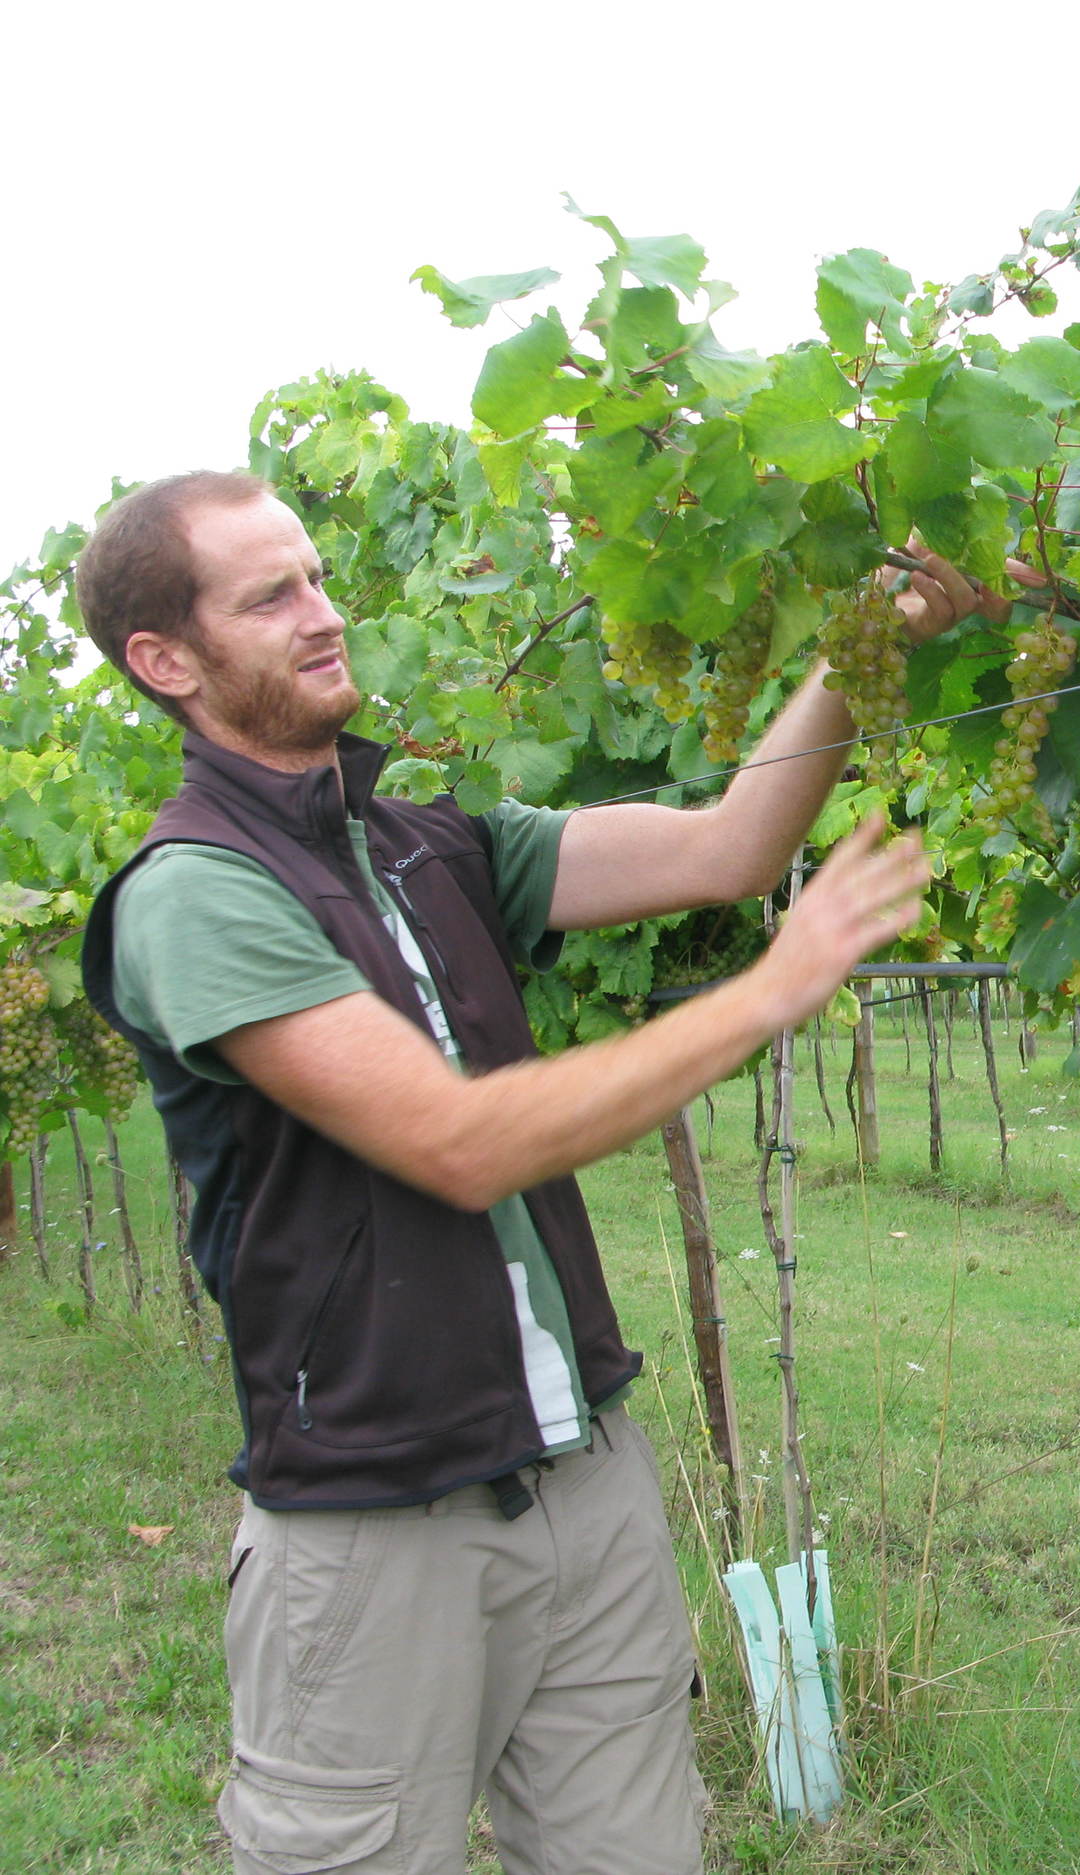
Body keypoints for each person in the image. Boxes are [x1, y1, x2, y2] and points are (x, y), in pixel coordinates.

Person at [76, 470, 1011, 1875]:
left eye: (319, 576)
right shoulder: (194, 895)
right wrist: (776, 988)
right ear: (167, 661)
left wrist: (866, 643)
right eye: (270, 597)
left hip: (585, 1483)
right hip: (375, 1536)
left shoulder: (423, 845)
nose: (325, 615)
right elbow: (462, 1143)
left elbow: (728, 847)